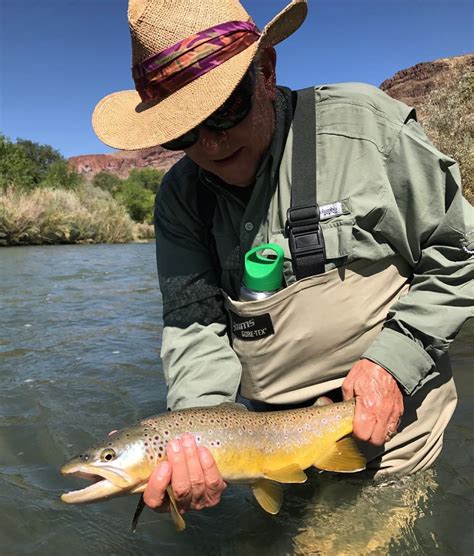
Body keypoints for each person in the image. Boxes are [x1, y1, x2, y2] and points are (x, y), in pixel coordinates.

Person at [92, 0, 473, 517]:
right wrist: (192, 438)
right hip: (263, 445)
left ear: (266, 71)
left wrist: (394, 361)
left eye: (225, 110)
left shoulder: (365, 130)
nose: (209, 142)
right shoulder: (180, 199)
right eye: (183, 130)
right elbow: (195, 324)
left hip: (393, 422)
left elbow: (460, 252)